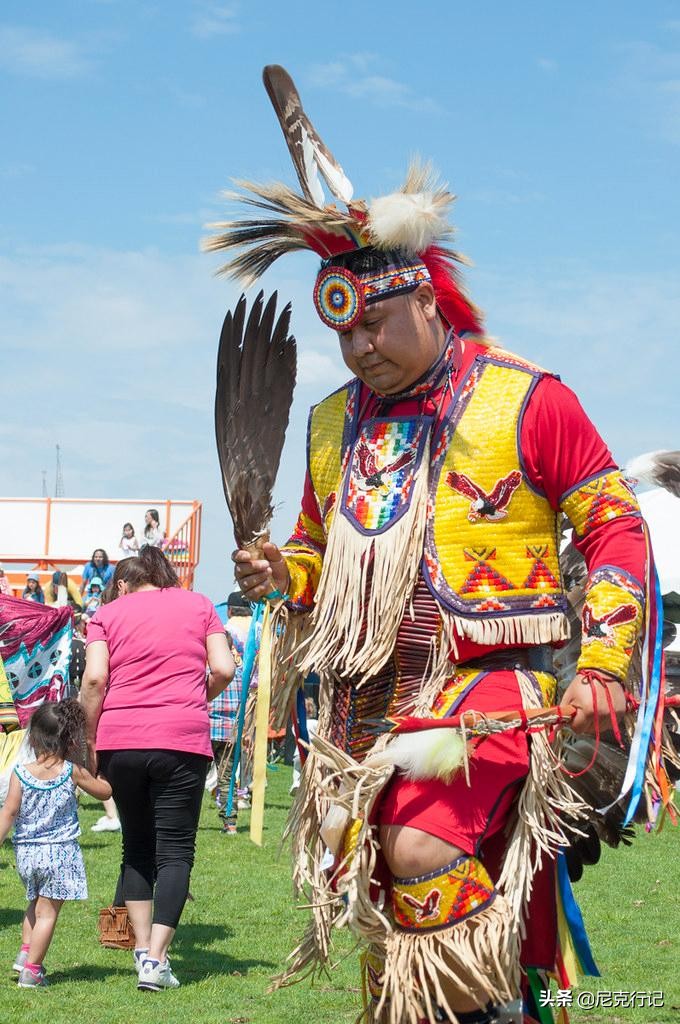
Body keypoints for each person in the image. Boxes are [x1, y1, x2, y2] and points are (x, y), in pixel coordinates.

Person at [211, 67, 665, 1024]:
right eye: (346, 334)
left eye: (376, 324)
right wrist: (279, 571)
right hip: (368, 692)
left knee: (420, 846)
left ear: (425, 301)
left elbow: (614, 522)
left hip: (494, 682)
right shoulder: (332, 424)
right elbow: (316, 552)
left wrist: (604, 659)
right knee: (372, 872)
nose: (361, 349)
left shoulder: (524, 399)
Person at [80, 546, 233, 991]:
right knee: (176, 850)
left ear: (127, 581)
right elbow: (224, 668)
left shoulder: (107, 613)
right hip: (181, 738)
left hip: (120, 738)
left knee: (136, 846)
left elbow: (95, 679)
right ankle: (157, 960)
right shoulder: (199, 605)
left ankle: (142, 948)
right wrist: (193, 699)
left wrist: (89, 740)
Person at [0, 700, 112, 988]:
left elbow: (9, 812)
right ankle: (32, 971)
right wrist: (100, 771)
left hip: (27, 853)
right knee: (47, 913)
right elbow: (104, 792)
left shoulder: (20, 773)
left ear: (33, 737)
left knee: (34, 903)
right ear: (70, 740)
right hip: (59, 854)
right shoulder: (71, 771)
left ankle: (25, 954)